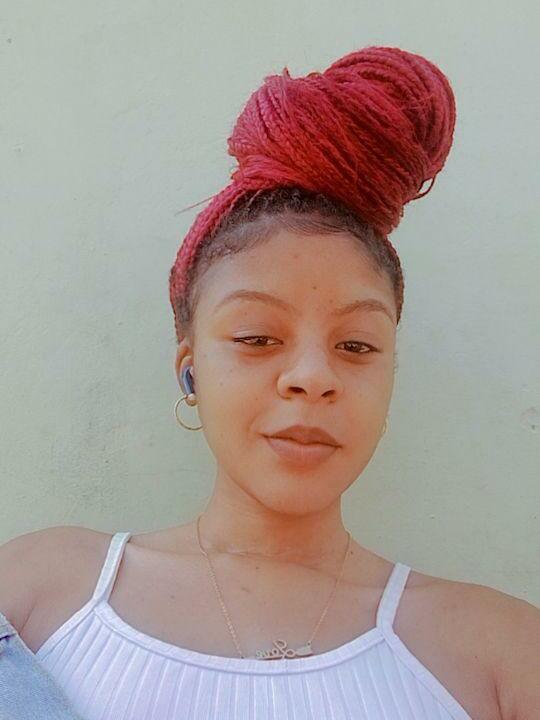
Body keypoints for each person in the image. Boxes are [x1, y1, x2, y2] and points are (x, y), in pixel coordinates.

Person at [1, 44, 538, 720]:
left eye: (357, 345)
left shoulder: (502, 655)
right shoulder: (38, 597)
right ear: (190, 368)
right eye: (257, 338)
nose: (312, 377)